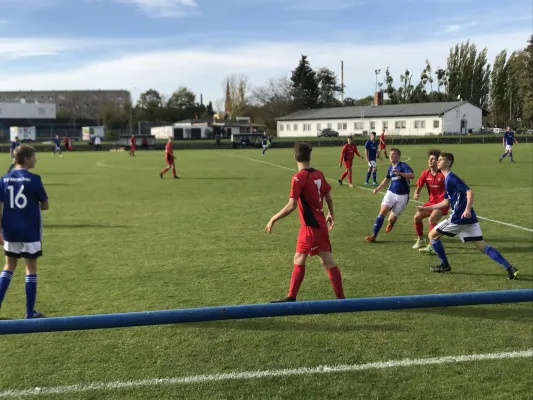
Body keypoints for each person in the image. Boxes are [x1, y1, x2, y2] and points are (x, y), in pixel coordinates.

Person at [416, 152, 519, 279]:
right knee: (482, 246)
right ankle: (509, 267)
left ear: (448, 163)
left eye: (441, 159)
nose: (438, 161)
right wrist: (426, 208)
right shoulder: (447, 179)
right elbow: (445, 202)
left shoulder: (451, 178)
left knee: (432, 235)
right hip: (470, 219)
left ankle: (444, 265)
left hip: (459, 218)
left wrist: (467, 209)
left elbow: (470, 192)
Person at [265, 142, 345, 302]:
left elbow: (291, 205)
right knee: (299, 258)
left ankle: (341, 299)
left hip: (312, 226)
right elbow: (328, 196)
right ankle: (291, 296)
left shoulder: (298, 177)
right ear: (309, 156)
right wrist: (330, 213)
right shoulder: (319, 174)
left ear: (295, 157)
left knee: (326, 260)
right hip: (310, 226)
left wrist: (274, 218)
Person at [0, 145, 49, 318]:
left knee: (8, 266)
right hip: (30, 231)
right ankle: (29, 312)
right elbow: (45, 205)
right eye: (34, 157)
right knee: (31, 269)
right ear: (27, 159)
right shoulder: (35, 179)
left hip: (10, 230)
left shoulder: (4, 179)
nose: (35, 159)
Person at [365, 148, 414, 242]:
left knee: (391, 219)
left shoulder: (403, 165)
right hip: (391, 193)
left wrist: (400, 173)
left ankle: (391, 223)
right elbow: (387, 179)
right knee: (382, 212)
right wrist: (378, 188)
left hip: (403, 196)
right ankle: (373, 235)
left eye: (394, 154)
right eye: (390, 154)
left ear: (399, 156)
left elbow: (412, 175)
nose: (391, 156)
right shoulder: (390, 167)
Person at [412, 149, 449, 251]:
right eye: (429, 159)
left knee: (432, 219)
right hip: (431, 202)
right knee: (417, 217)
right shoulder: (425, 173)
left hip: (442, 203)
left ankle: (431, 245)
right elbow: (419, 186)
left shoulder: (444, 174)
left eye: (433, 159)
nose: (430, 161)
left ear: (438, 161)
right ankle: (420, 239)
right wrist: (416, 193)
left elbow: (455, 183)